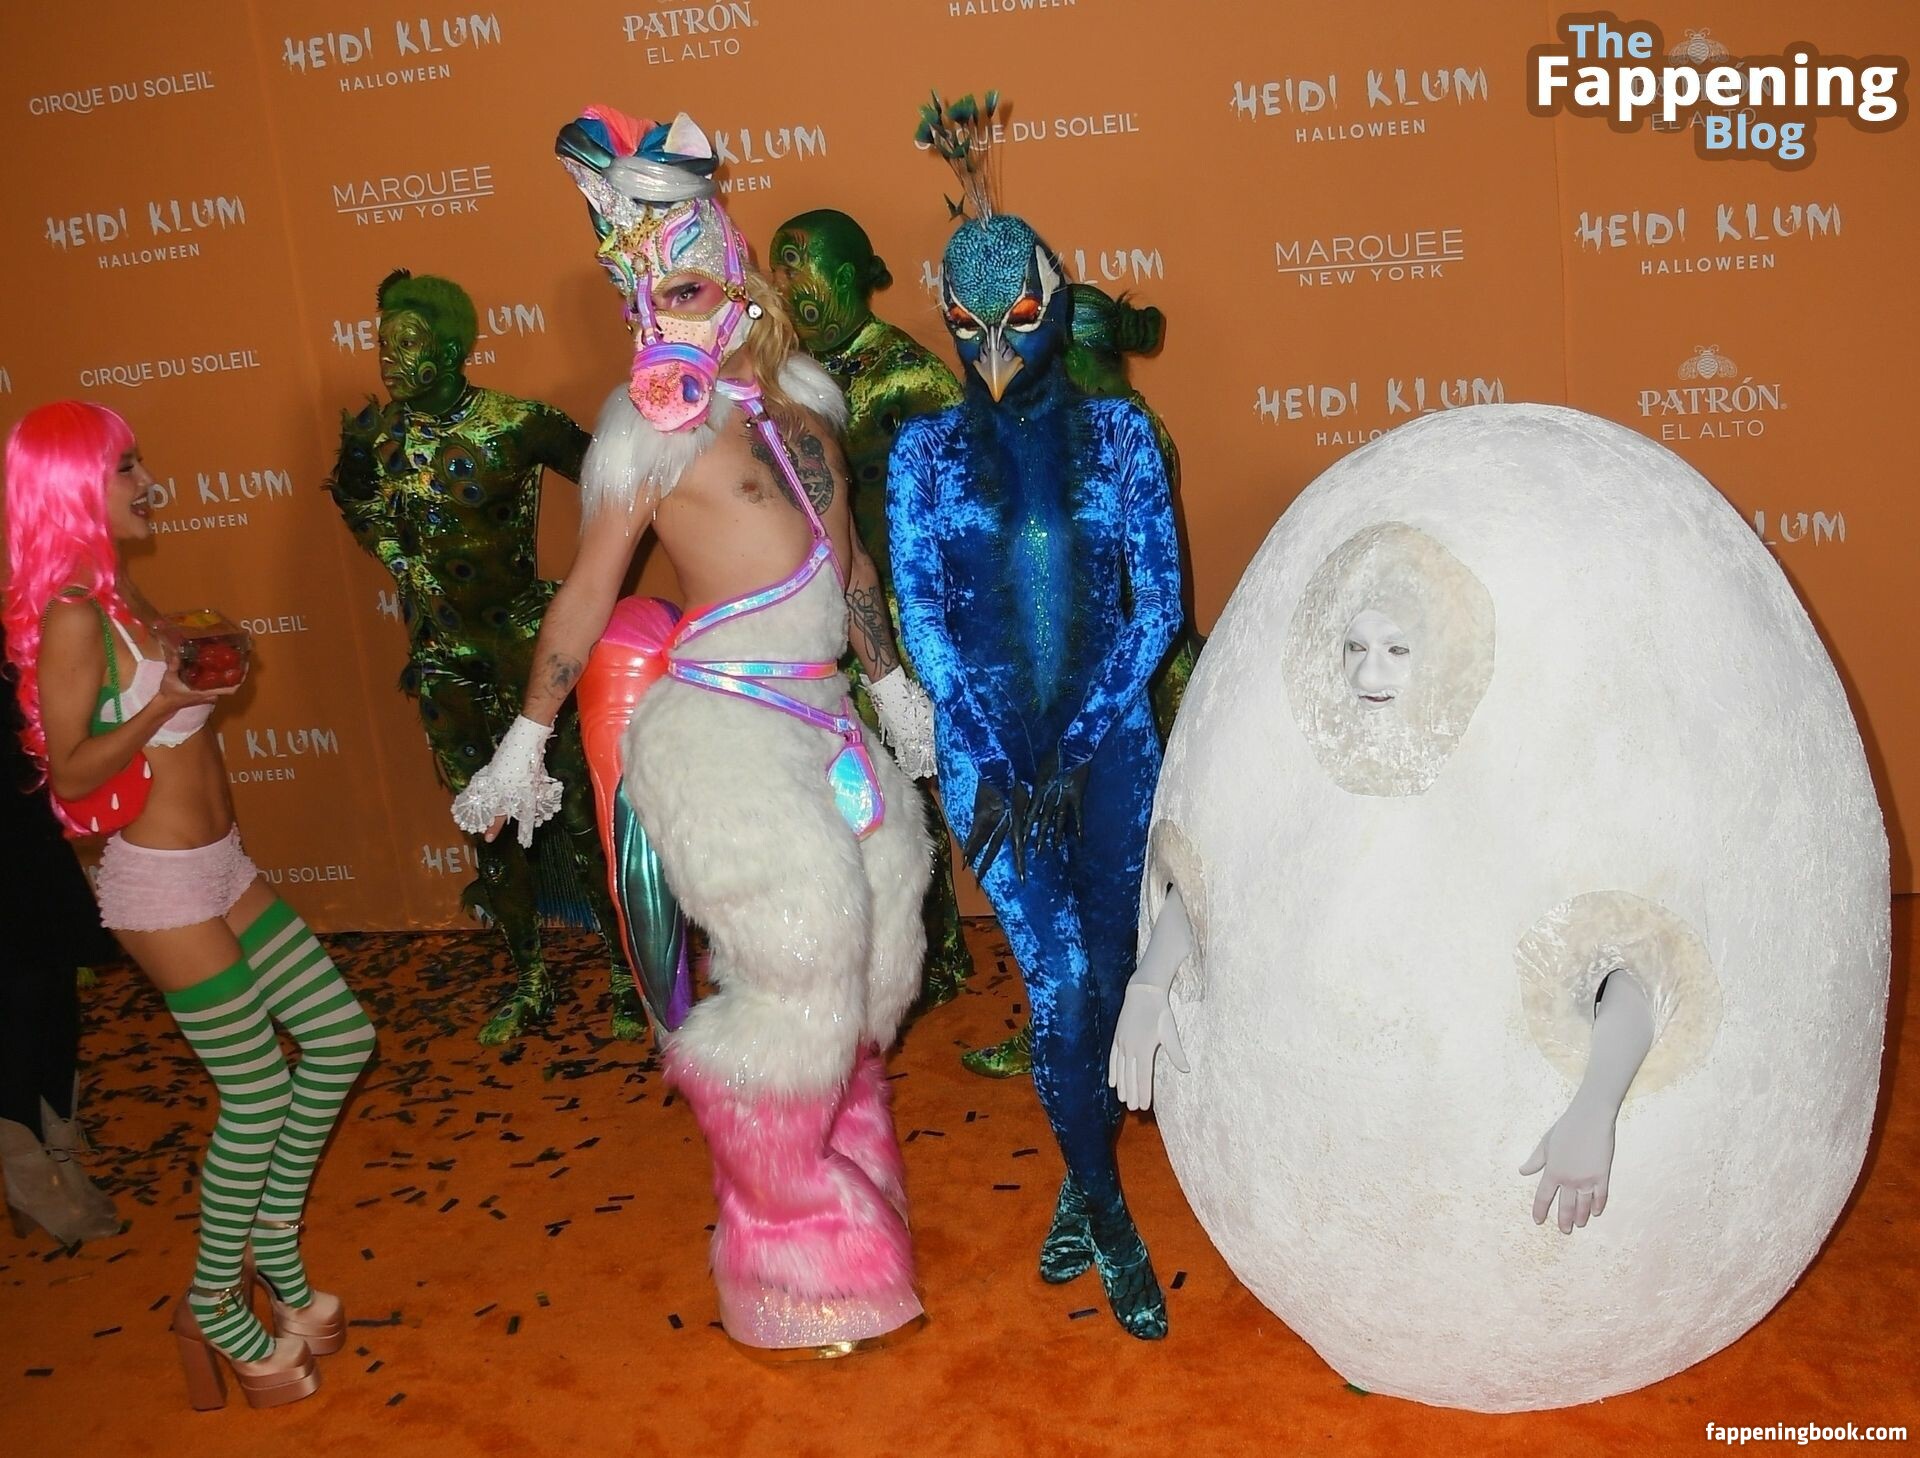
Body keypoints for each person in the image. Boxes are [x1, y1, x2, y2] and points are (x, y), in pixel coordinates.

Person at [454, 107, 937, 1355]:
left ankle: (850, 1181)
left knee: (881, 954)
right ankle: (791, 1255)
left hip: (826, 717)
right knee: (802, 954)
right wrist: (525, 739)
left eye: (678, 283)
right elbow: (586, 591)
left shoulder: (806, 408)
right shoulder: (648, 432)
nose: (658, 314)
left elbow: (850, 565)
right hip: (721, 729)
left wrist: (892, 689)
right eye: (641, 294)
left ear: (735, 271)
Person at [2, 401, 377, 1409]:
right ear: (75, 488)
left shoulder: (116, 592)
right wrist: (167, 704)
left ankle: (278, 1257)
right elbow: (72, 773)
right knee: (255, 1091)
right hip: (159, 885)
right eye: (125, 466)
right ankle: (216, 1300)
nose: (147, 482)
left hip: (223, 867)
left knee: (339, 1037)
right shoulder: (73, 613)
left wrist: (196, 672)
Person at [888, 95, 1183, 1339]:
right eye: (968, 328)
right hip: (994, 767)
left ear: (1054, 306)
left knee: (1110, 977)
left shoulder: (1122, 436)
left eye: (1016, 321)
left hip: (1109, 756)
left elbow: (1159, 606)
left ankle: (1078, 1173)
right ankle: (1109, 1215)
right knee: (1057, 982)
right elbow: (924, 626)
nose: (994, 352)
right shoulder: (919, 455)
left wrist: (1082, 741)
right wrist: (1013, 755)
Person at [327, 270, 645, 1045]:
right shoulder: (376, 439)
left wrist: (591, 587)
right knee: (485, 828)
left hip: (525, 653)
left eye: (407, 342)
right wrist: (362, 503)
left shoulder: (516, 423)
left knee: (579, 816)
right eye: (381, 343)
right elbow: (379, 534)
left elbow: (624, 491)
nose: (390, 359)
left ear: (450, 349)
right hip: (441, 662)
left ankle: (626, 972)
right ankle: (530, 977)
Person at [769, 208, 974, 1012]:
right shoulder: (784, 382)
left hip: (909, 620)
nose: (787, 282)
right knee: (861, 793)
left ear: (852, 275)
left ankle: (941, 954)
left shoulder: (910, 377)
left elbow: (972, 497)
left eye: (801, 262)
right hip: (821, 625)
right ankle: (890, 952)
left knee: (919, 785)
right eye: (779, 265)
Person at [0, 619, 123, 1246]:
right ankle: (26, 1169)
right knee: (16, 993)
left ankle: (57, 1152)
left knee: (50, 981)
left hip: (19, 815)